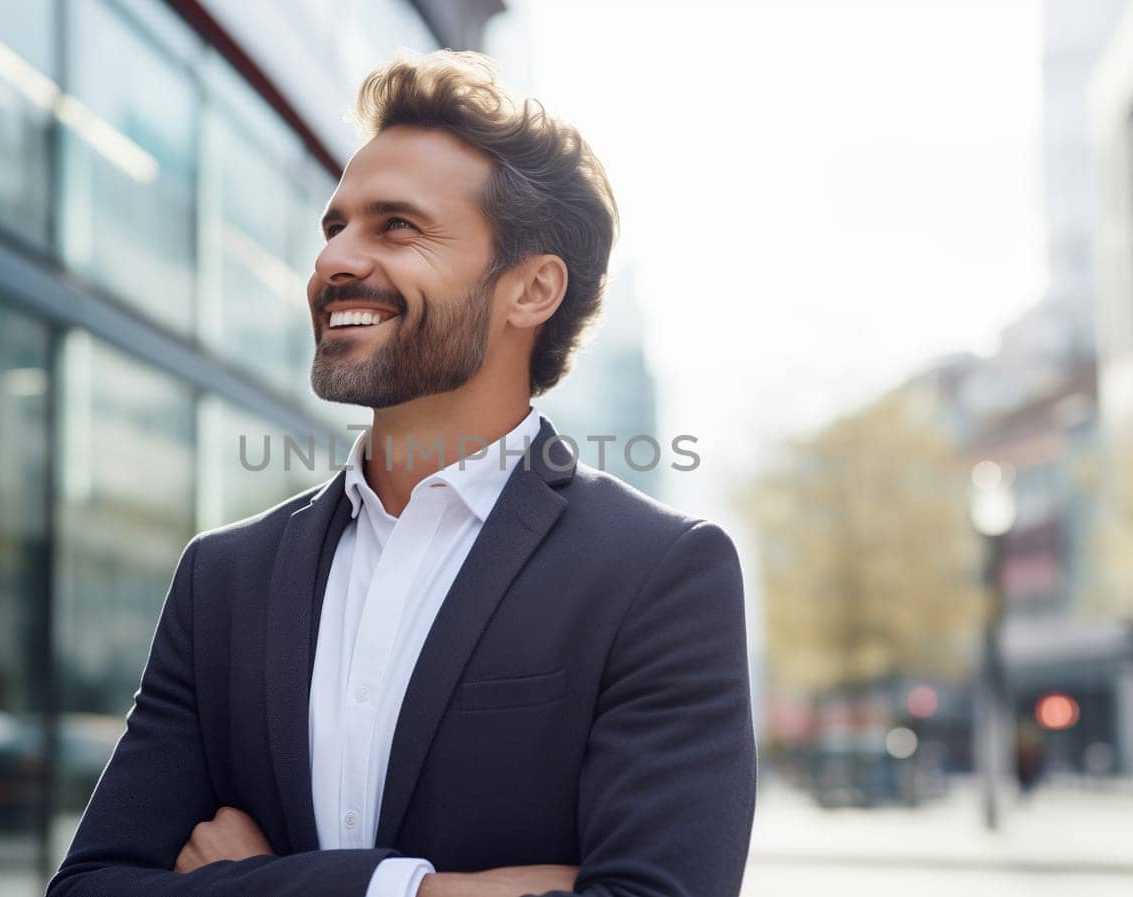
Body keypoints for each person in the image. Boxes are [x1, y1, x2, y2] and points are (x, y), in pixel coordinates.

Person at [47, 49, 755, 897]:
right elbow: (89, 886)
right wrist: (413, 891)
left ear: (530, 290)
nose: (336, 261)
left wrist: (256, 883)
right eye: (335, 227)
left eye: (398, 227)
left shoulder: (659, 573)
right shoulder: (223, 578)